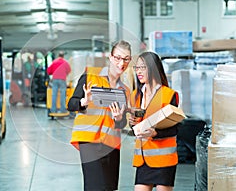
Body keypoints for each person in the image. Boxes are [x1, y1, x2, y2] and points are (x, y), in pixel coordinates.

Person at [67, 40, 132, 191]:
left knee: (109, 187)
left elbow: (121, 124)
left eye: (126, 59)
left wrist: (118, 118)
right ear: (110, 57)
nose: (121, 63)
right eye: (117, 58)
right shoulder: (91, 75)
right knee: (95, 186)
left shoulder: (125, 90)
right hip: (89, 139)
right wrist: (84, 101)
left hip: (111, 143)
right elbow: (71, 104)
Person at [129, 51, 180, 191]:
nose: (138, 71)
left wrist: (154, 133)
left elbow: (175, 128)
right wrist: (132, 123)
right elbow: (136, 125)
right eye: (137, 68)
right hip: (143, 160)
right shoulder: (135, 96)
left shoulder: (168, 95)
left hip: (164, 159)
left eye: (143, 67)